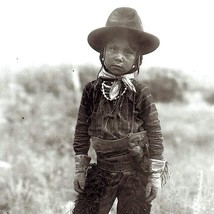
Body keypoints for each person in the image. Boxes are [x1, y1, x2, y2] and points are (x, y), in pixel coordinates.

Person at [72, 7, 169, 214]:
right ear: (103, 53)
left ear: (137, 59)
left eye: (128, 52)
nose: (119, 57)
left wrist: (154, 177)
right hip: (102, 170)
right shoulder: (92, 90)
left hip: (134, 172)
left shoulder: (141, 92)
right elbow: (81, 129)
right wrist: (80, 170)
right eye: (113, 49)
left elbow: (155, 133)